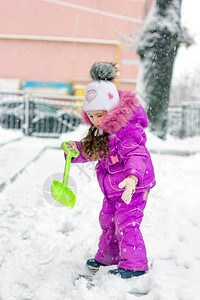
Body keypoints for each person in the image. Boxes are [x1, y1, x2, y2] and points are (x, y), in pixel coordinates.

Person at [62, 62, 156, 279]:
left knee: (127, 222)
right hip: (113, 189)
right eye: (91, 116)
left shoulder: (128, 131)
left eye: (99, 114)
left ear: (112, 109)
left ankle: (134, 265)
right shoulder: (101, 132)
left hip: (133, 186)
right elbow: (92, 151)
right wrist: (74, 150)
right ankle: (109, 256)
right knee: (108, 220)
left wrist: (132, 178)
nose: (95, 120)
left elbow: (137, 155)